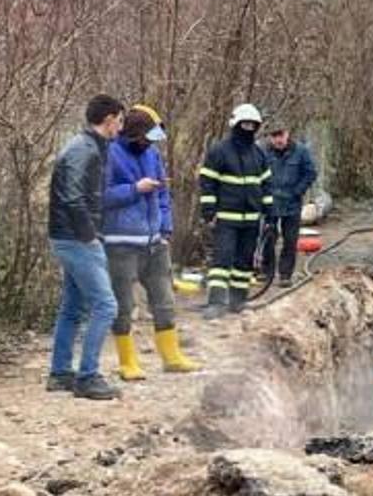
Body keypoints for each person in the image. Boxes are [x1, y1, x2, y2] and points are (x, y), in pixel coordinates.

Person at [102, 104, 202, 380]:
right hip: (120, 243)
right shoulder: (109, 154)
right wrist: (135, 189)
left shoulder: (153, 154)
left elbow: (162, 195)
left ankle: (172, 357)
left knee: (164, 300)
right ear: (134, 133)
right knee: (123, 305)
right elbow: (102, 197)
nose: (149, 143)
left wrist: (165, 228)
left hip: (154, 242)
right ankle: (127, 362)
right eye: (147, 137)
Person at [47, 94, 124, 400]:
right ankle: (88, 376)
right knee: (106, 306)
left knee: (72, 307)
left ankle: (60, 373)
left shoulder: (88, 146)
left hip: (69, 235)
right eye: (119, 120)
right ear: (108, 120)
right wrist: (90, 235)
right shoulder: (84, 149)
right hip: (75, 238)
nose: (120, 126)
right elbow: (71, 197)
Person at [199, 103, 273, 319]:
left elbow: (266, 183)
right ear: (235, 124)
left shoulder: (258, 154)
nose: (248, 129)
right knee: (222, 261)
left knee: (244, 262)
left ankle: (238, 301)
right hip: (226, 219)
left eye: (252, 125)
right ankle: (216, 303)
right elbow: (208, 181)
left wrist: (269, 210)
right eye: (245, 124)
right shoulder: (219, 151)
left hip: (251, 219)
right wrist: (208, 209)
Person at [261, 123, 318, 287]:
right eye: (274, 136)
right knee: (268, 238)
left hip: (292, 203)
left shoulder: (301, 151)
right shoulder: (263, 152)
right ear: (270, 137)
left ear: (287, 134)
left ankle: (285, 274)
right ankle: (267, 272)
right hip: (270, 203)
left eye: (281, 135)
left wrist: (297, 191)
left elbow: (310, 173)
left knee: (290, 240)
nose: (278, 139)